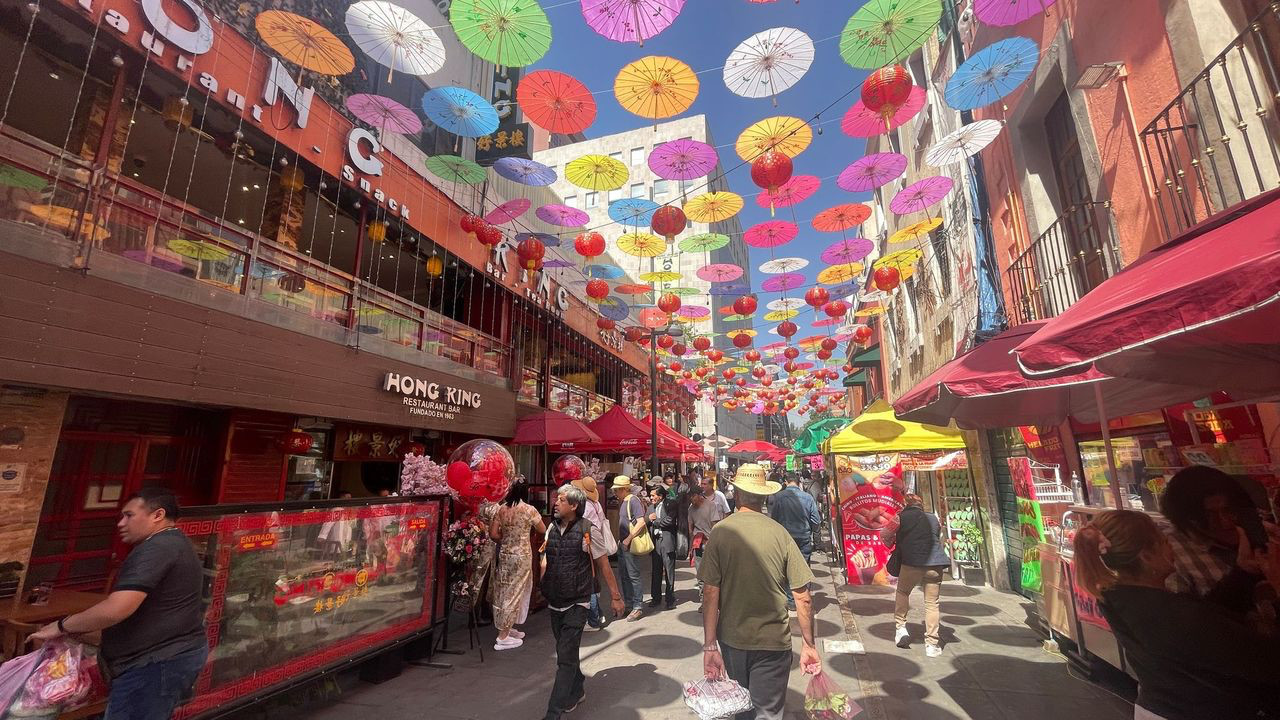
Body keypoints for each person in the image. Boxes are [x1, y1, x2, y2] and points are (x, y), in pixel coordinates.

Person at [1074, 509, 1280, 720]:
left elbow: (1208, 628)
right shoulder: (1166, 614)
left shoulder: (1121, 597)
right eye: (1164, 541)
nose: (1171, 546)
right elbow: (1268, 661)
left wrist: (1243, 572)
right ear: (1146, 556)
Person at [31, 488, 208, 720]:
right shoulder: (173, 543)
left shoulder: (158, 547)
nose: (121, 523)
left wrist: (62, 626)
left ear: (157, 515)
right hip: (165, 658)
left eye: (129, 515)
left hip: (155, 663)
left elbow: (118, 608)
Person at [699, 464, 820, 720]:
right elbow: (803, 597)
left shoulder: (721, 532)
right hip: (773, 640)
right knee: (767, 713)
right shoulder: (780, 533)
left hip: (733, 640)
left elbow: (710, 593)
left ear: (738, 494)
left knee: (742, 709)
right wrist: (809, 644)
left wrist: (710, 645)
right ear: (764, 496)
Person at [539, 484, 624, 720]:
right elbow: (546, 556)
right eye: (557, 499)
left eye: (562, 500)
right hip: (555, 598)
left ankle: (553, 712)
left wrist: (616, 597)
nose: (556, 503)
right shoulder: (551, 528)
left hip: (578, 601)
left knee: (564, 657)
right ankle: (577, 690)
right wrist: (543, 579)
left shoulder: (588, 530)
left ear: (575, 505)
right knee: (564, 649)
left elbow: (604, 565)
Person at [1159, 465, 1280, 628]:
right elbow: (1189, 628)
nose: (1224, 522)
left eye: (1227, 510)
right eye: (1209, 515)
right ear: (1186, 518)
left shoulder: (1258, 530)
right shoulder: (1170, 553)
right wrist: (1243, 573)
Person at [882, 493, 950, 657]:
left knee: (903, 592)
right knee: (932, 603)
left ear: (905, 504)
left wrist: (893, 544)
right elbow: (938, 536)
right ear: (921, 505)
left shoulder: (899, 518)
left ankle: (901, 628)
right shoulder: (933, 518)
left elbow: (885, 534)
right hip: (935, 563)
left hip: (911, 562)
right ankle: (932, 644)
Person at [489, 483, 546, 650]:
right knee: (515, 592)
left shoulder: (500, 509)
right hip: (522, 555)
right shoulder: (529, 510)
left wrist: (505, 540)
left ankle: (507, 627)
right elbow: (542, 528)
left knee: (504, 590)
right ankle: (503, 636)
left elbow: (493, 534)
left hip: (505, 553)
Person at [769, 473, 822, 610]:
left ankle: (791, 600)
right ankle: (804, 597)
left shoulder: (779, 497)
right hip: (804, 537)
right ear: (799, 483)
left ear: (786, 482)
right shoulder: (808, 498)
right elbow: (816, 521)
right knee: (803, 568)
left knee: (786, 569)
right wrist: (817, 541)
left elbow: (773, 519)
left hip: (785, 538)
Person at [572, 476, 616, 631]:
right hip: (597, 543)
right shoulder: (596, 504)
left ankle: (593, 618)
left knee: (588, 581)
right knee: (593, 579)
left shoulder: (585, 507)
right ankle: (598, 614)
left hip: (588, 543)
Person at [613, 476, 648, 621]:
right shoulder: (624, 501)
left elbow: (641, 522)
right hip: (623, 543)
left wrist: (627, 539)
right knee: (624, 575)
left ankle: (637, 606)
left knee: (633, 575)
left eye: (617, 490)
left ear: (623, 489)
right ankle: (629, 603)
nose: (615, 493)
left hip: (629, 543)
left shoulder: (633, 500)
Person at [688, 484, 727, 603]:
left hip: (709, 542)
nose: (691, 499)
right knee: (700, 572)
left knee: (712, 572)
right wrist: (691, 546)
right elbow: (691, 527)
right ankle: (703, 599)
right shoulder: (691, 509)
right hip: (697, 543)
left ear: (699, 496)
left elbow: (715, 525)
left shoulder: (711, 506)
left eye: (693, 496)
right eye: (690, 496)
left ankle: (715, 599)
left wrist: (714, 542)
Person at [646, 485, 678, 609]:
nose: (651, 498)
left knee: (669, 571)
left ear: (660, 496)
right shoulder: (650, 508)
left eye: (653, 495)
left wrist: (655, 521)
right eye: (650, 495)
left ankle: (670, 599)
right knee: (656, 571)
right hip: (655, 543)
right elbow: (645, 520)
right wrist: (649, 519)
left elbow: (669, 521)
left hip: (667, 542)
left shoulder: (671, 504)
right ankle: (656, 598)